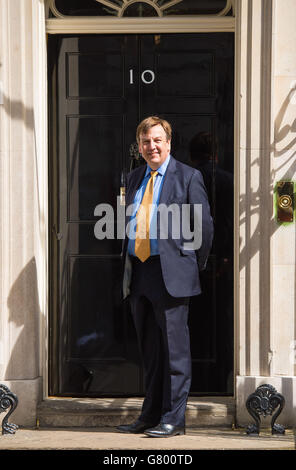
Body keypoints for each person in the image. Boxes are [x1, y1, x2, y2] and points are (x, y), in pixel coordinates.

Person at [117, 116, 213, 438]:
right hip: (140, 272)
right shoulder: (133, 178)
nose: (152, 146)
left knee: (175, 353)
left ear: (169, 143)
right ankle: (150, 415)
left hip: (171, 275)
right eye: (146, 141)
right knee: (151, 353)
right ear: (139, 146)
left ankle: (174, 419)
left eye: (157, 140)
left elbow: (203, 228)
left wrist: (189, 265)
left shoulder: (188, 177)